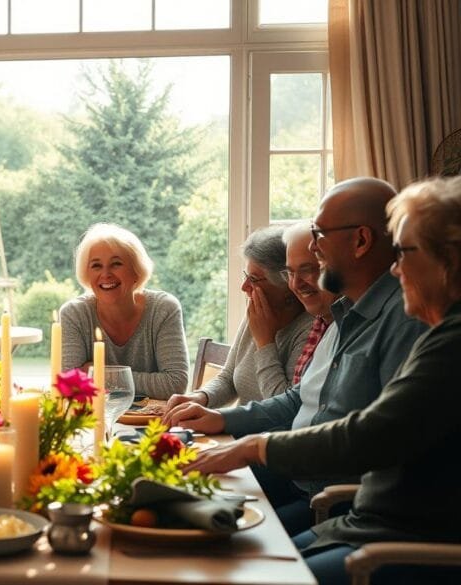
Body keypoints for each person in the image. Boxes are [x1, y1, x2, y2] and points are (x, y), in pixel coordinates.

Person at [184, 176, 461, 585]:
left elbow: (373, 435)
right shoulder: (387, 321)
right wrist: (230, 426)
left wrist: (255, 446)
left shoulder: (445, 340)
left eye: (403, 252)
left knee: (232, 564)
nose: (396, 267)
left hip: (394, 540)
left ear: (447, 260)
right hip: (363, 523)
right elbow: (311, 403)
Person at [167, 225, 311, 407]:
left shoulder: (309, 330)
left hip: (267, 434)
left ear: (287, 284)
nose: (244, 287)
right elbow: (228, 378)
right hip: (235, 430)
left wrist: (265, 343)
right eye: (246, 276)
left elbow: (282, 406)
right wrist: (200, 397)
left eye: (254, 279)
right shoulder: (257, 313)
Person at [60, 223, 188, 398]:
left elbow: (175, 384)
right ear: (86, 274)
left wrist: (99, 374)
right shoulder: (74, 314)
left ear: (136, 271)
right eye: (96, 266)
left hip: (151, 423)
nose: (106, 274)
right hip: (94, 419)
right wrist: (147, 382)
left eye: (116, 264)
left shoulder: (164, 309)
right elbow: (71, 385)